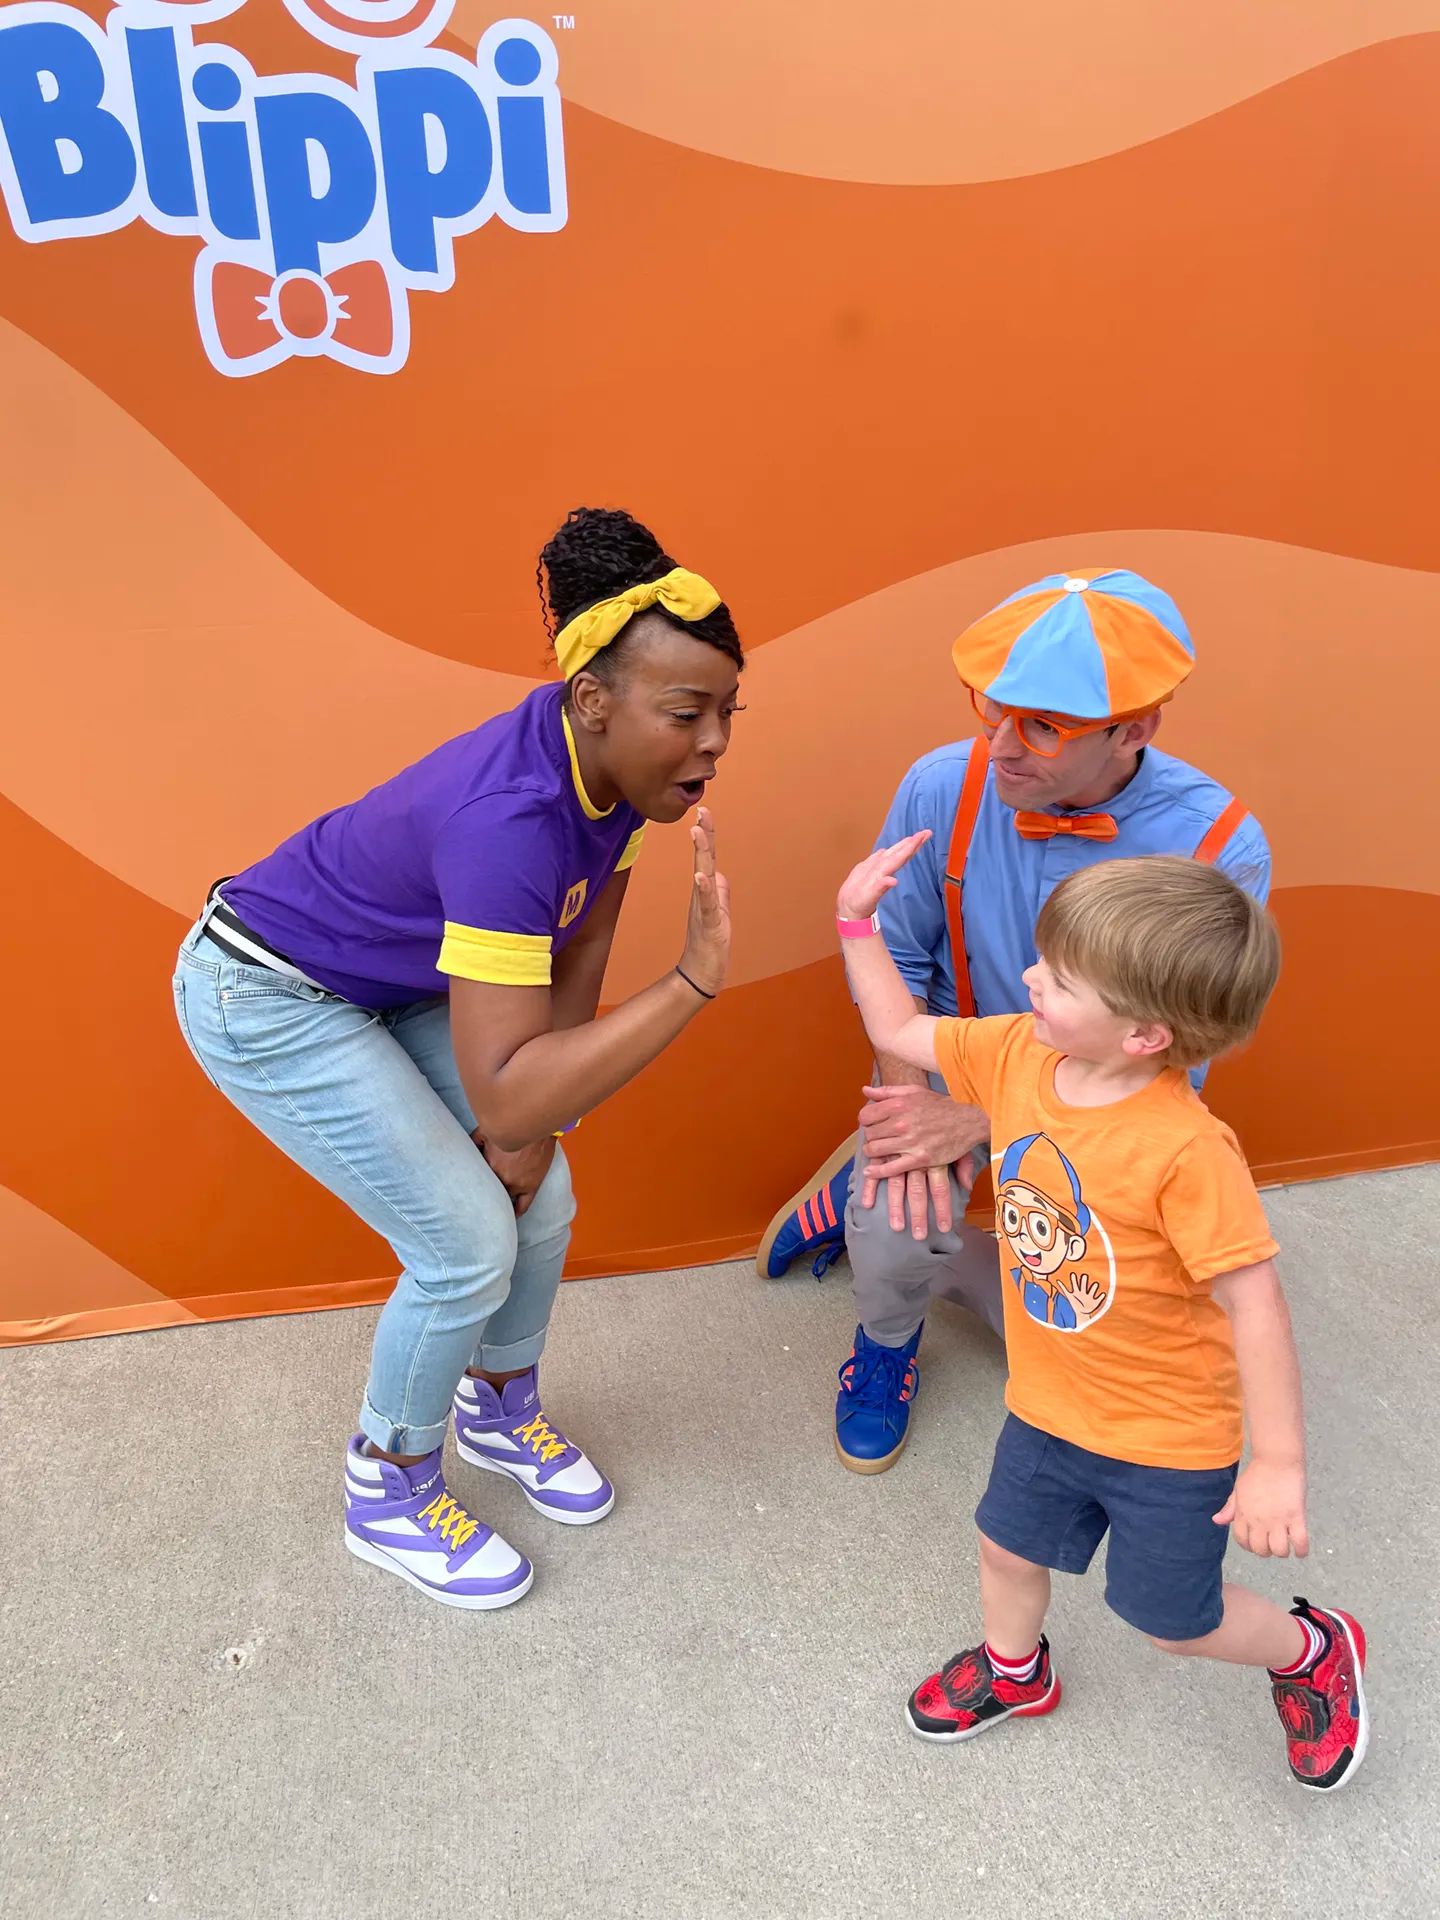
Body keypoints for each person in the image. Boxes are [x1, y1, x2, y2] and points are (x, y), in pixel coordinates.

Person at [171, 507, 742, 1610]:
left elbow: (579, 949)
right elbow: (506, 1090)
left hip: (385, 982)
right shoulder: (510, 819)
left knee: (544, 1194)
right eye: (688, 712)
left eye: (727, 712)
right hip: (265, 996)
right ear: (593, 700)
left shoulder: (620, 778)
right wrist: (690, 983)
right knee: (466, 1243)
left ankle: (496, 1406)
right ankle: (386, 1484)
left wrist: (542, 1128)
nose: (715, 739)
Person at [834, 843, 1368, 1793]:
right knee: (1005, 1547)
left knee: (1175, 1624)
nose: (1030, 978)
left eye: (1061, 977)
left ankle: (1310, 1648)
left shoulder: (1188, 1152)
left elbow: (1256, 1304)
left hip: (1168, 1438)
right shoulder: (1019, 1050)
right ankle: (1016, 1673)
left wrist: (1278, 1464)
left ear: (1145, 1036)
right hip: (1049, 1404)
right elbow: (901, 1027)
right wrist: (856, 924)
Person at [756, 569, 1271, 1473]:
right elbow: (898, 965)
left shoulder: (1219, 843)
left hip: (1107, 1095)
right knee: (899, 1224)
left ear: (1135, 730)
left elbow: (1176, 1055)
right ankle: (885, 1337)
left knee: (1102, 1307)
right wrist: (910, 1118)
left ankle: (877, 1219)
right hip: (954, 1054)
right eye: (992, 710)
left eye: (1041, 726)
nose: (999, 746)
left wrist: (991, 1121)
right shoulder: (942, 786)